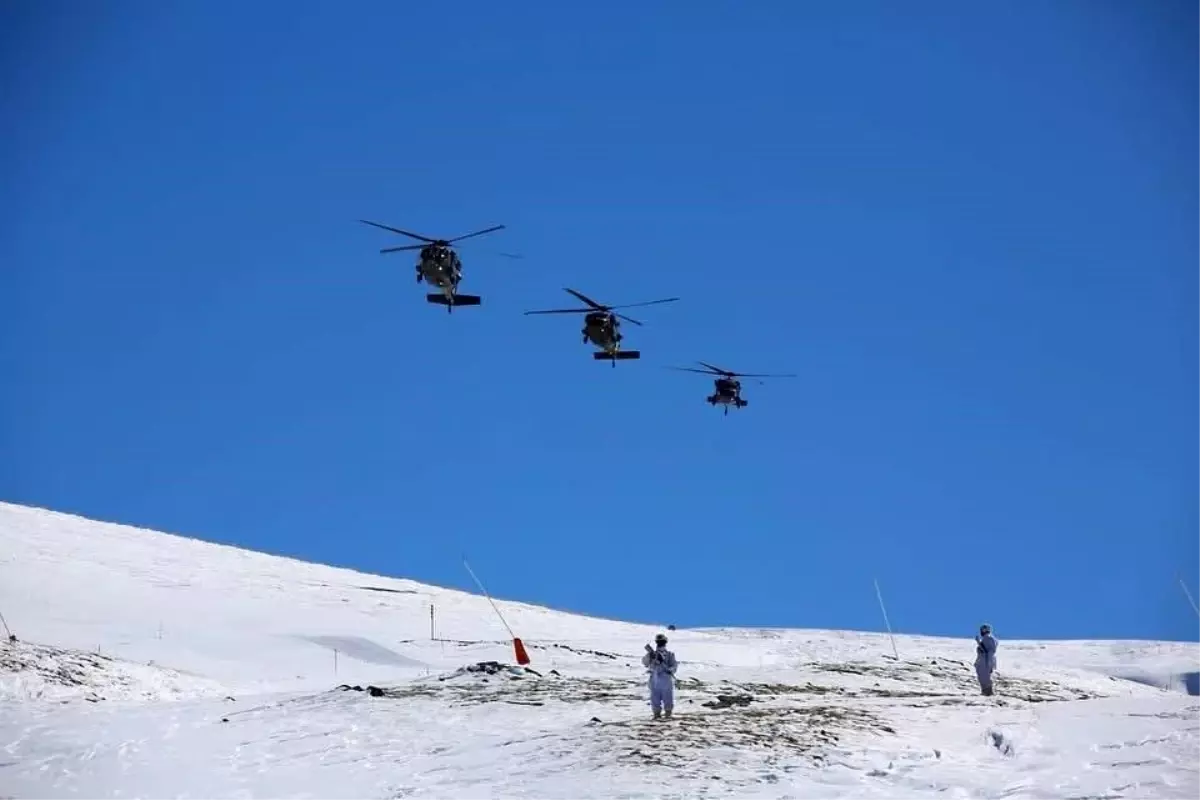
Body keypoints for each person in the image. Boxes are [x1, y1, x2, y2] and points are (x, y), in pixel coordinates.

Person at [642, 632, 678, 719]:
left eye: (662, 642)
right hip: (655, 679)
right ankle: (656, 714)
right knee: (655, 698)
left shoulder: (670, 654)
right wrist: (650, 656)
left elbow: (674, 665)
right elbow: (645, 663)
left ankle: (668, 714)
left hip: (666, 679)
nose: (661, 643)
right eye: (659, 642)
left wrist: (670, 670)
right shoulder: (652, 654)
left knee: (667, 697)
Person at [974, 623, 998, 696]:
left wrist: (978, 643)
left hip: (985, 661)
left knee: (985, 677)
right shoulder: (987, 638)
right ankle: (985, 691)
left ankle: (988, 692)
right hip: (984, 660)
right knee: (983, 676)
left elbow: (988, 651)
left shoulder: (989, 638)